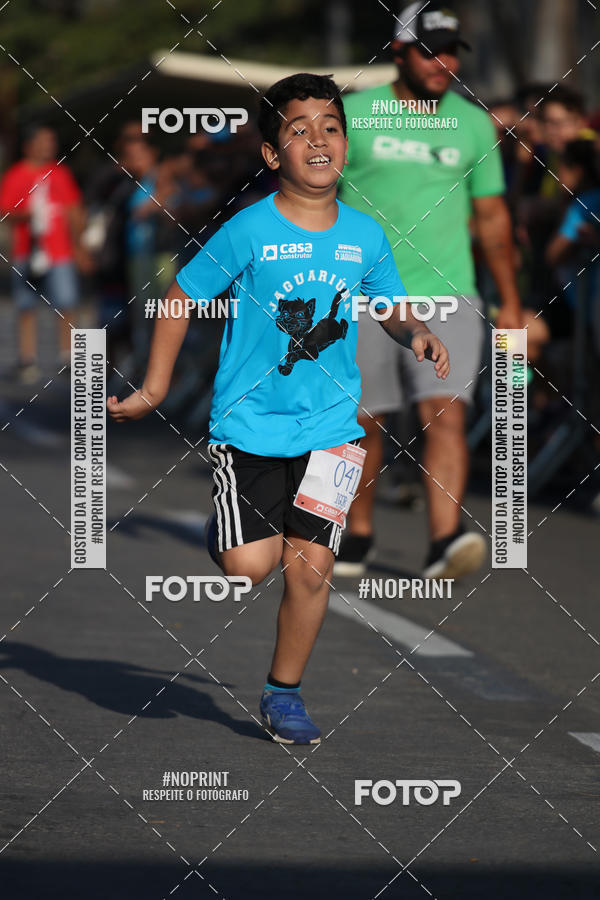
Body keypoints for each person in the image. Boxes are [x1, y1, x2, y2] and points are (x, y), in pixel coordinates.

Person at [107, 73, 449, 745]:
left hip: (332, 427)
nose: (317, 139)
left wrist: (416, 331)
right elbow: (180, 297)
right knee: (248, 567)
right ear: (272, 155)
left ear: (346, 143)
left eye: (330, 126)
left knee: (313, 568)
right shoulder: (249, 229)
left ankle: (283, 693)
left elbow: (387, 303)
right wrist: (153, 387)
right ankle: (230, 532)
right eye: (298, 129)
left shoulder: (364, 234)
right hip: (251, 424)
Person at [335, 1, 522, 578]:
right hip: (365, 294)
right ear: (398, 52)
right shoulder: (351, 114)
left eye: (450, 51)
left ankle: (444, 538)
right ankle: (358, 532)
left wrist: (510, 301)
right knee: (367, 423)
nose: (442, 62)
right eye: (429, 50)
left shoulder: (471, 122)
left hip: (449, 292)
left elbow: (491, 217)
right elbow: (314, 199)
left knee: (444, 414)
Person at [0, 124, 89, 383]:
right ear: (29, 145)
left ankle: (68, 356)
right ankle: (27, 359)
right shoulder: (16, 175)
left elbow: (74, 209)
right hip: (27, 251)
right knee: (26, 305)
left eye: (51, 140)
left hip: (59, 251)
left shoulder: (60, 173)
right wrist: (29, 214)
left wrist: (80, 246)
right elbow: (6, 211)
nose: (49, 145)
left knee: (66, 303)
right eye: (43, 140)